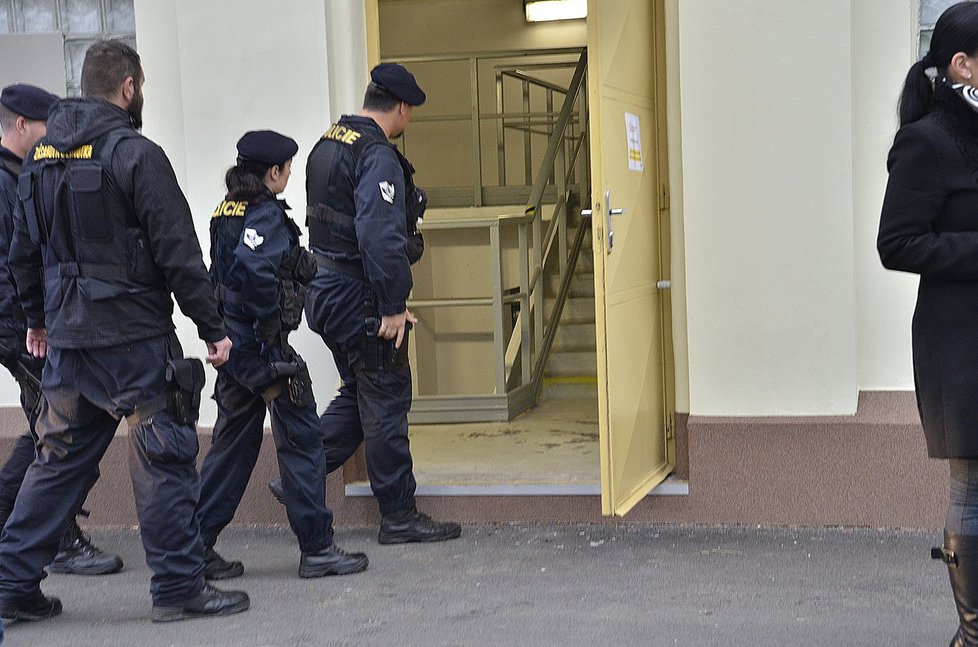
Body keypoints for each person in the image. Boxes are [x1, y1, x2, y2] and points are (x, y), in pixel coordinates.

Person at [0, 40, 248, 624]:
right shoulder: (136, 154)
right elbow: (178, 252)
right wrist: (212, 326)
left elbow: (21, 254)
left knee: (55, 462)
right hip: (134, 339)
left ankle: (10, 584)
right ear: (129, 88)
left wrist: (38, 320)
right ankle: (179, 588)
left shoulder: (40, 159)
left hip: (68, 342)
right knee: (161, 458)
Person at [280, 63, 460, 544]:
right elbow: (380, 238)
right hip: (358, 295)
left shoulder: (327, 143)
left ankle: (298, 473)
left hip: (324, 289)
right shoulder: (377, 154)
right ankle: (399, 516)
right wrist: (392, 306)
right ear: (401, 108)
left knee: (360, 393)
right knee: (384, 400)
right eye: (411, 112)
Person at [195, 130, 368, 580]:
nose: (289, 174)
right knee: (304, 441)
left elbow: (220, 274)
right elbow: (254, 271)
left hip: (234, 347)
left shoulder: (226, 209)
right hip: (259, 348)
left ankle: (193, 546)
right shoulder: (265, 214)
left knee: (232, 447)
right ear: (273, 172)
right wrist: (271, 326)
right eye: (288, 169)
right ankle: (317, 549)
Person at [878, 4, 978, 645]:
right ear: (963, 64)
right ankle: (973, 632)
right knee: (971, 486)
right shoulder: (929, 139)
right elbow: (898, 244)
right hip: (960, 345)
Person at [0, 83, 124, 577]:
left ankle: (25, 531)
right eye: (47, 126)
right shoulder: (7, 181)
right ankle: (59, 541)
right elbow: (15, 262)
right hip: (24, 327)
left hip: (31, 322)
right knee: (54, 437)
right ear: (24, 126)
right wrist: (34, 323)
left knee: (47, 433)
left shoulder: (19, 175)